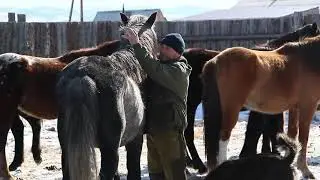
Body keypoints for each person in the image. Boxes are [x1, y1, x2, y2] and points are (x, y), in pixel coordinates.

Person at [122, 30, 192, 180]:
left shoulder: (178, 71)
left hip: (169, 133)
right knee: (156, 174)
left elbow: (153, 68)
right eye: (162, 46)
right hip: (154, 132)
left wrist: (137, 44)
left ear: (178, 52)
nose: (163, 50)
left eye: (168, 48)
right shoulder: (164, 66)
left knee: (175, 174)